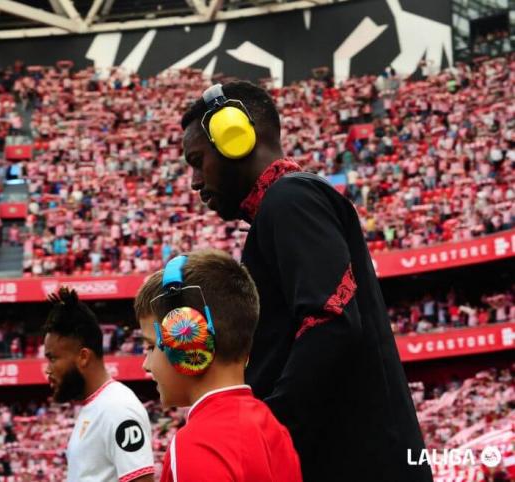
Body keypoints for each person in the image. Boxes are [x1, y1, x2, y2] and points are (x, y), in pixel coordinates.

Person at [180, 81, 433, 482]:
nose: (194, 181)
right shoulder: (287, 204)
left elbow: (331, 323)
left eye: (197, 160)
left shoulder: (290, 199)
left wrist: (267, 428)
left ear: (235, 137)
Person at [134, 250, 302, 482]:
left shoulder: (195, 445)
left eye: (151, 346)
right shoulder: (274, 429)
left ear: (189, 342)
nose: (146, 365)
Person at [43, 287, 154, 482]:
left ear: (83, 357)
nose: (48, 370)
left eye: (52, 358)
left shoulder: (118, 408)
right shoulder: (96, 406)